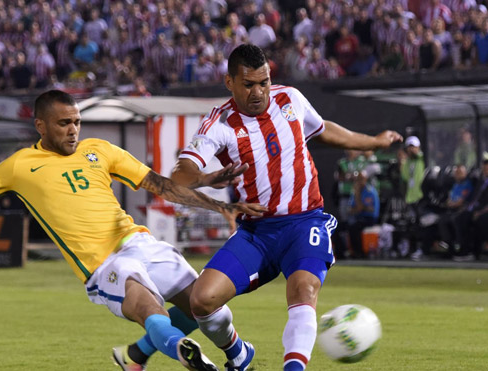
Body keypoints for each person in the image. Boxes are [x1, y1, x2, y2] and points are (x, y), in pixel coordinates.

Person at [0, 90, 268, 371]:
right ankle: (181, 351)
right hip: (102, 264)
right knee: (147, 309)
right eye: (64, 123)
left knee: (207, 307)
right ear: (41, 126)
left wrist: (221, 204)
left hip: (139, 241)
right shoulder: (17, 166)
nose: (74, 130)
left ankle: (235, 354)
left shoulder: (99, 150)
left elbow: (159, 184)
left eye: (77, 122)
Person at [170, 44, 402, 371]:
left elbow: (322, 130)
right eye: (248, 84)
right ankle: (238, 352)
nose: (258, 92)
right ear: (229, 83)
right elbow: (181, 174)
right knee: (201, 301)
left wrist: (373, 142)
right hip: (257, 235)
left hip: (305, 222)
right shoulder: (219, 124)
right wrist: (207, 177)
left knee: (304, 289)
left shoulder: (290, 98)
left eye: (263, 82)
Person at [400, 136, 426, 259]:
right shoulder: (407, 163)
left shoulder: (421, 159)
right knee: (412, 225)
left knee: (420, 224)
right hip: (410, 198)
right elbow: (405, 178)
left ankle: (421, 248)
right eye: (409, 147)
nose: (412, 149)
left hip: (420, 197)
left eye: (414, 147)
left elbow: (419, 155)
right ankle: (413, 249)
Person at [347, 170, 380, 259]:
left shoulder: (369, 191)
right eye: (357, 179)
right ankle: (341, 253)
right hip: (359, 217)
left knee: (354, 227)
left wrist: (358, 196)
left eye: (361, 179)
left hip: (370, 218)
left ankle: (359, 253)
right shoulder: (355, 192)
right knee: (338, 226)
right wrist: (358, 208)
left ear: (365, 180)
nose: (358, 182)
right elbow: (350, 209)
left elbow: (360, 208)